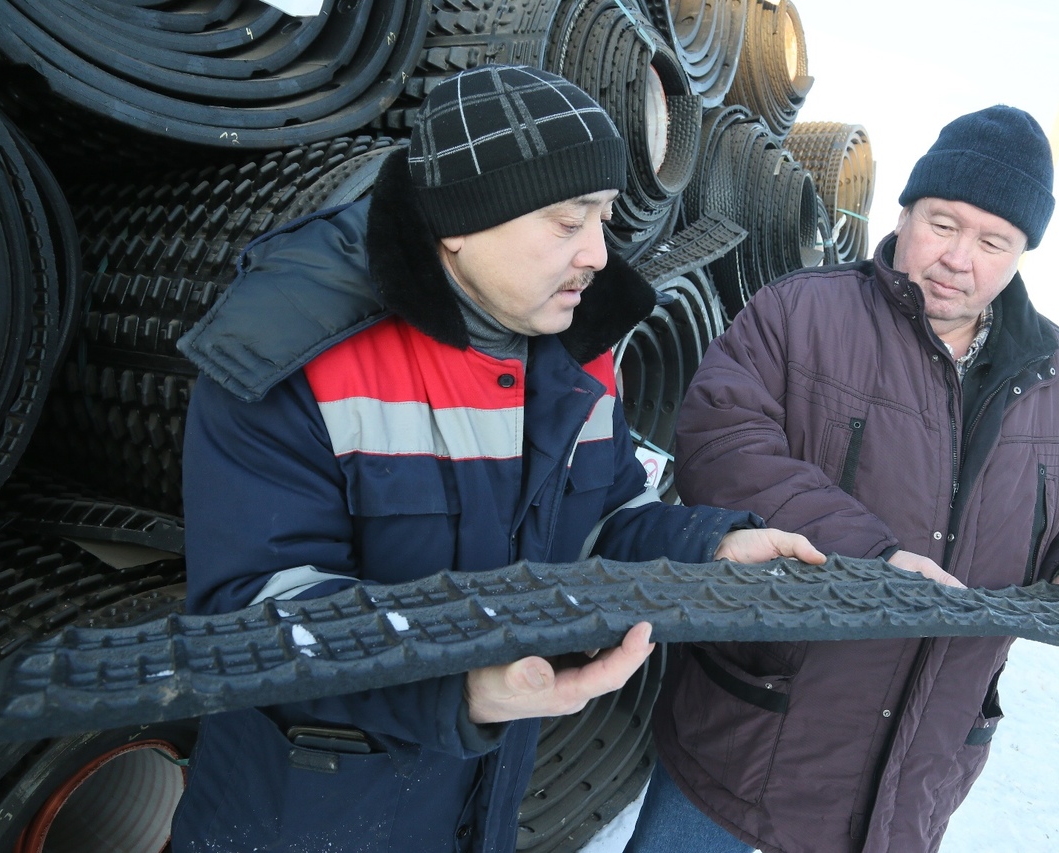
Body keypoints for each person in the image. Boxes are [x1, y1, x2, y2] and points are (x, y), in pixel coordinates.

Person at [167, 64, 823, 852]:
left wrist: (707, 546)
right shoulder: (292, 353)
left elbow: (602, 519)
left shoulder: (581, 351)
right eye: (566, 220)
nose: (597, 255)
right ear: (460, 224)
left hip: (479, 804)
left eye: (605, 218)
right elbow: (257, 611)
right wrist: (463, 683)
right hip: (304, 812)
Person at [625, 105, 1059, 853]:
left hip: (910, 786)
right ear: (905, 210)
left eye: (992, 241)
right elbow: (722, 442)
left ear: (1022, 252)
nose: (958, 257)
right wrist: (873, 557)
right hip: (750, 753)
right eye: (943, 223)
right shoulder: (801, 312)